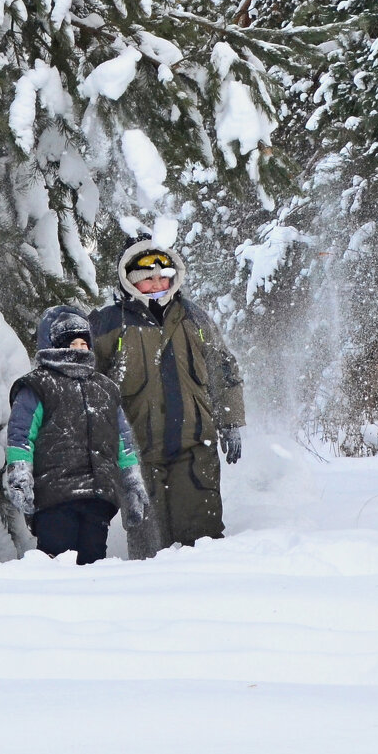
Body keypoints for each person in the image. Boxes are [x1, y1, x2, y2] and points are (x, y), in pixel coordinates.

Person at [89, 239, 245, 558]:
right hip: (135, 453)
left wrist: (230, 422)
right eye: (148, 278)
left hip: (194, 446)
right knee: (147, 545)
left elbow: (223, 369)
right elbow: (87, 383)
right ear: (129, 280)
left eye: (164, 276)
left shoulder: (194, 317)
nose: (158, 284)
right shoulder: (108, 323)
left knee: (202, 541)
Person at [5, 306, 149, 565]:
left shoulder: (105, 388)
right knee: (57, 561)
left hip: (98, 496)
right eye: (73, 343)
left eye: (84, 343)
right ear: (55, 345)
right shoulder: (39, 384)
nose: (80, 348)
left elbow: (123, 442)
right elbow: (21, 434)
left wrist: (131, 484)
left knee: (93, 562)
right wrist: (19, 471)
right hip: (54, 495)